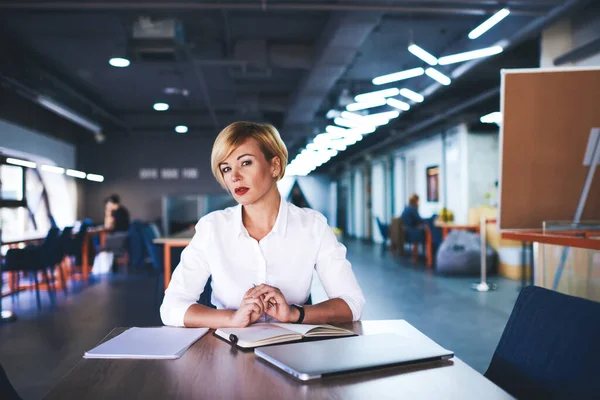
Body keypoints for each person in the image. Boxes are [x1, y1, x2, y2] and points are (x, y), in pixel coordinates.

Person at [160, 121, 365, 328]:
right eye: (226, 168)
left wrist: (295, 314)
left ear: (274, 166)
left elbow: (352, 303)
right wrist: (232, 318)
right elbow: (171, 307)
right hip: (227, 348)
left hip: (292, 350)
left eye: (246, 163)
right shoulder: (212, 228)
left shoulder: (312, 226)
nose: (235, 176)